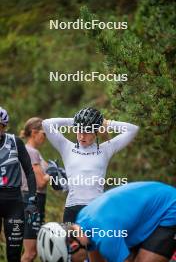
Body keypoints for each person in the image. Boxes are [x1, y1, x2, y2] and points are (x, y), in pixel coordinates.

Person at [42, 107, 139, 223]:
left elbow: (133, 129)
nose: (82, 136)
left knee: (94, 242)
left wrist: (106, 123)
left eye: (87, 132)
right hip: (72, 208)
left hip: (96, 208)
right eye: (79, 131)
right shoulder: (66, 147)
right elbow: (46, 124)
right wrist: (76, 121)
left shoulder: (105, 149)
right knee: (70, 241)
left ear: (95, 132)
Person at [37, 181, 176, 262]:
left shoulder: (106, 236)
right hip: (148, 213)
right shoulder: (83, 222)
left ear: (73, 246)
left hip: (169, 207)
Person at [0, 107, 37, 262]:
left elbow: (29, 171)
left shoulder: (15, 142)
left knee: (14, 254)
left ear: (4, 126)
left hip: (14, 202)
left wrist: (31, 201)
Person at [20, 117, 50, 262]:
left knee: (34, 252)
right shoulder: (31, 152)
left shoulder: (32, 151)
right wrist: (53, 174)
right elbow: (40, 183)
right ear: (34, 133)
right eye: (44, 133)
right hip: (32, 202)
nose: (45, 137)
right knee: (30, 253)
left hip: (33, 202)